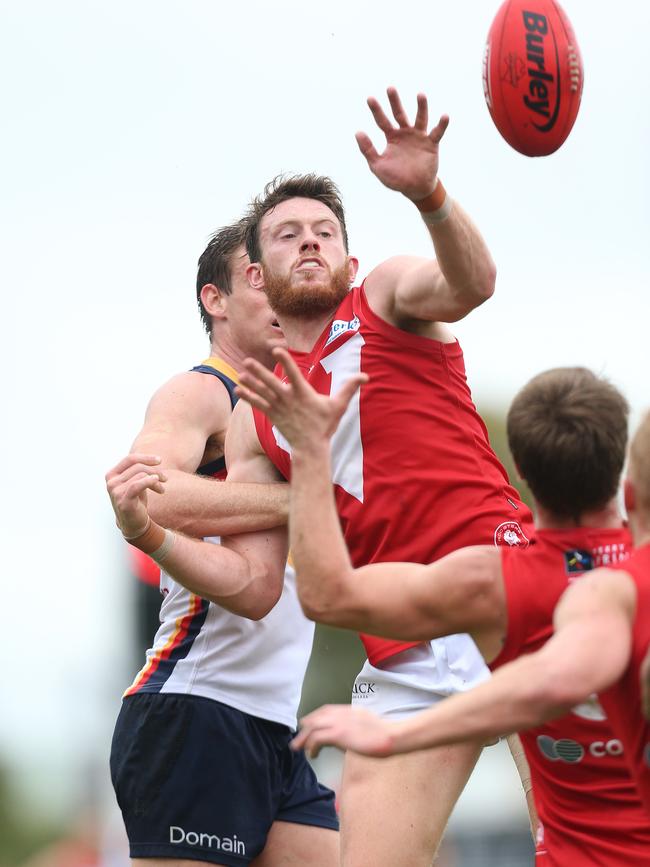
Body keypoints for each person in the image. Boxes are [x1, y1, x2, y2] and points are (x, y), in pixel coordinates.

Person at [231, 86, 538, 867]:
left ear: (350, 259)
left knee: (582, 846)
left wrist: (428, 194)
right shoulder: (256, 407)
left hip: (503, 592)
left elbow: (472, 284)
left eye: (325, 231)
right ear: (258, 275)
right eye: (288, 234)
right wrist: (147, 511)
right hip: (404, 641)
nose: (309, 242)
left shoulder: (383, 296)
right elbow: (257, 543)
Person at [241, 359, 650, 865]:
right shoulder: (631, 578)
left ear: (518, 471)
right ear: (623, 485)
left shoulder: (494, 582)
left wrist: (312, 450)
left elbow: (329, 595)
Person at [106, 222, 339, 867]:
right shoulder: (202, 391)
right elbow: (145, 492)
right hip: (195, 709)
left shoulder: (295, 407)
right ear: (216, 300)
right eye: (258, 278)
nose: (281, 291)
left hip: (276, 726)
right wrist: (304, 500)